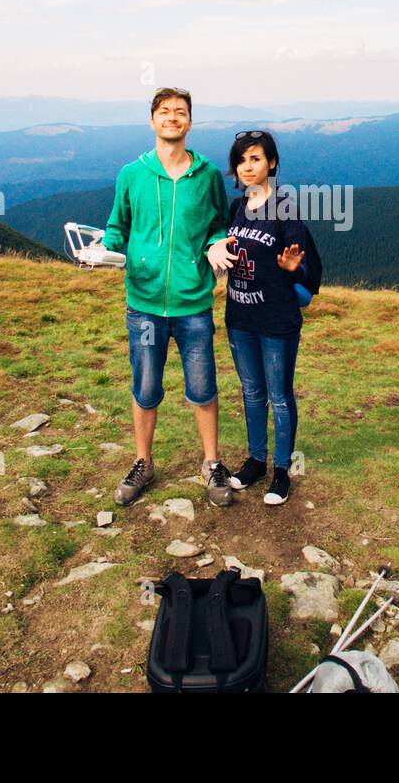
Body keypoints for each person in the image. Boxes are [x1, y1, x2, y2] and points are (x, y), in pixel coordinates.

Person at [101, 88, 240, 507]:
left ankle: (211, 463)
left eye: (180, 112)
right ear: (152, 121)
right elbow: (116, 228)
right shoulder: (132, 174)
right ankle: (143, 462)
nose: (172, 118)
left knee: (203, 387)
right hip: (143, 303)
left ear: (190, 122)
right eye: (165, 112)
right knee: (145, 388)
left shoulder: (208, 176)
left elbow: (218, 223)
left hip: (193, 301)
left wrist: (218, 243)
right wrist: (103, 252)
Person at [221, 130, 307, 505]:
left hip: (276, 321)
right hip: (240, 317)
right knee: (252, 393)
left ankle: (282, 472)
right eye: (241, 160)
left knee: (279, 396)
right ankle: (256, 462)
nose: (247, 166)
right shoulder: (236, 208)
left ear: (272, 163)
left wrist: (291, 268)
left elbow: (306, 266)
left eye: (255, 158)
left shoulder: (286, 208)